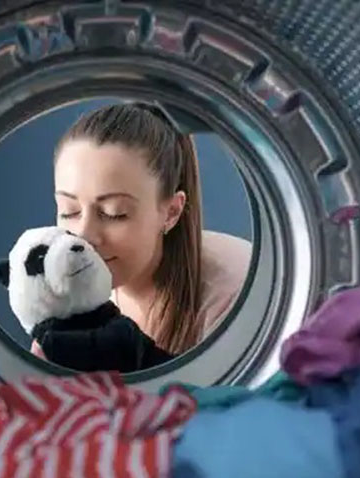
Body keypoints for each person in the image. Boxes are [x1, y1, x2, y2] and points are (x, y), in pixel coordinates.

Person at [33, 102, 252, 360]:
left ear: (171, 212)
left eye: (115, 213)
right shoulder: (70, 292)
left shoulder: (237, 298)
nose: (84, 236)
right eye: (69, 211)